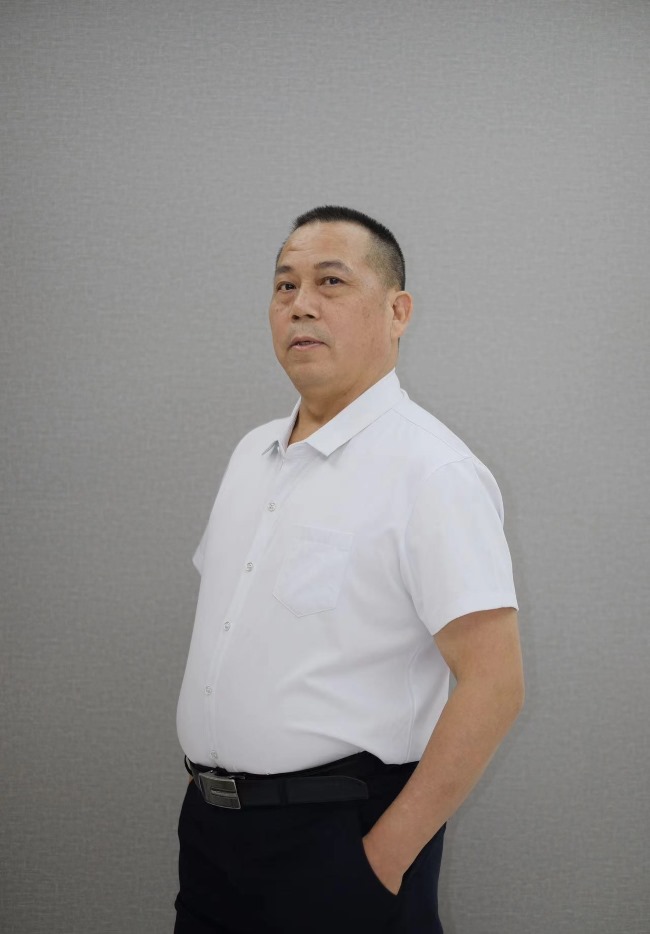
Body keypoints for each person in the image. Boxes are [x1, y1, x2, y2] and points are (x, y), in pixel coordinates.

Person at [173, 205, 524, 934]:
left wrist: (382, 861)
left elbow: (495, 684)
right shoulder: (250, 456)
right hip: (212, 839)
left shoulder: (432, 472)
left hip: (342, 843)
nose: (301, 304)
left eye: (331, 282)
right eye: (285, 285)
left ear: (398, 312)